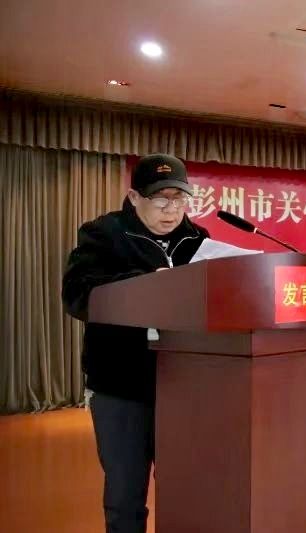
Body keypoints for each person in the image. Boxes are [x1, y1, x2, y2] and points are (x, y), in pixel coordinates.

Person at [62, 154, 209, 533]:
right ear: (134, 197)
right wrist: (148, 285)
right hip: (121, 385)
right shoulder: (104, 234)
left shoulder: (199, 240)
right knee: (125, 496)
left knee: (184, 489)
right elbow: (78, 296)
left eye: (179, 200)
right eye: (160, 200)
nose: (171, 210)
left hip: (183, 385)